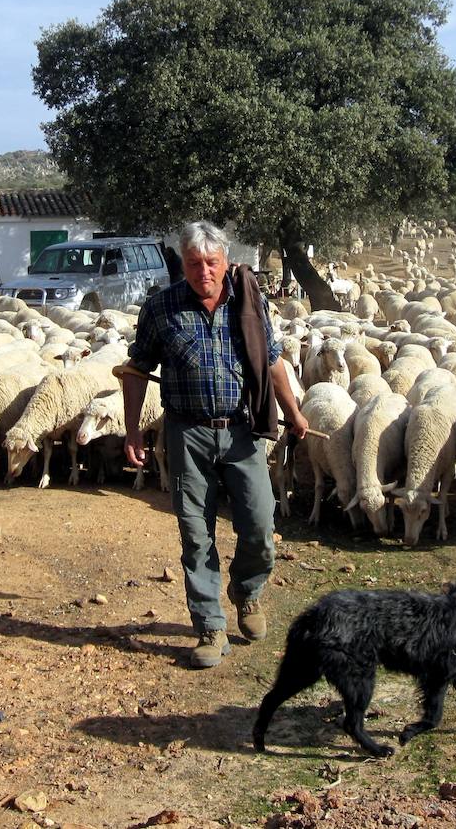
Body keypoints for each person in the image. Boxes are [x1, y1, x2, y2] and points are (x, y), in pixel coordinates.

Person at [121, 221, 308, 668]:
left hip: (243, 431)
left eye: (211, 262)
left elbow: (273, 361)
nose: (203, 271)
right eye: (193, 263)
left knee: (260, 523)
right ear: (182, 264)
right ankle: (209, 626)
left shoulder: (249, 302)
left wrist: (294, 411)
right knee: (195, 532)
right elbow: (136, 370)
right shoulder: (161, 308)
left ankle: (247, 592)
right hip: (187, 433)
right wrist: (132, 430)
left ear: (225, 262)